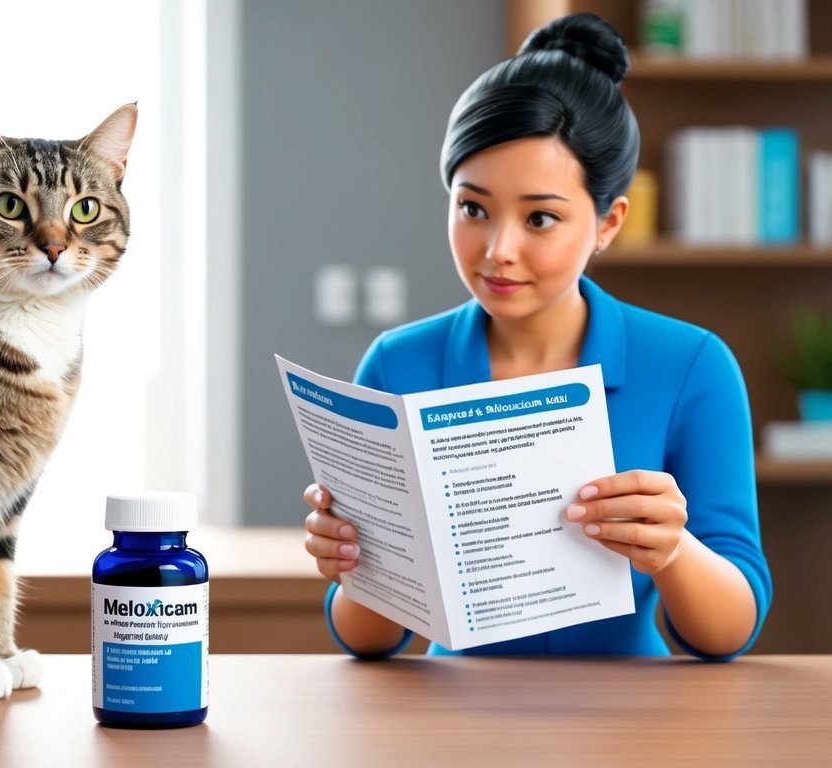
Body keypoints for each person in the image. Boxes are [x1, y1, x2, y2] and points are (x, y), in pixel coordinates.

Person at [302, 13, 771, 662]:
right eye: (472, 208)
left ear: (608, 223)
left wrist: (671, 551)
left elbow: (730, 632)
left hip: (634, 728)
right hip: (454, 727)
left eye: (540, 218)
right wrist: (358, 563)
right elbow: (369, 640)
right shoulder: (396, 364)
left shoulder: (692, 366)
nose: (498, 251)